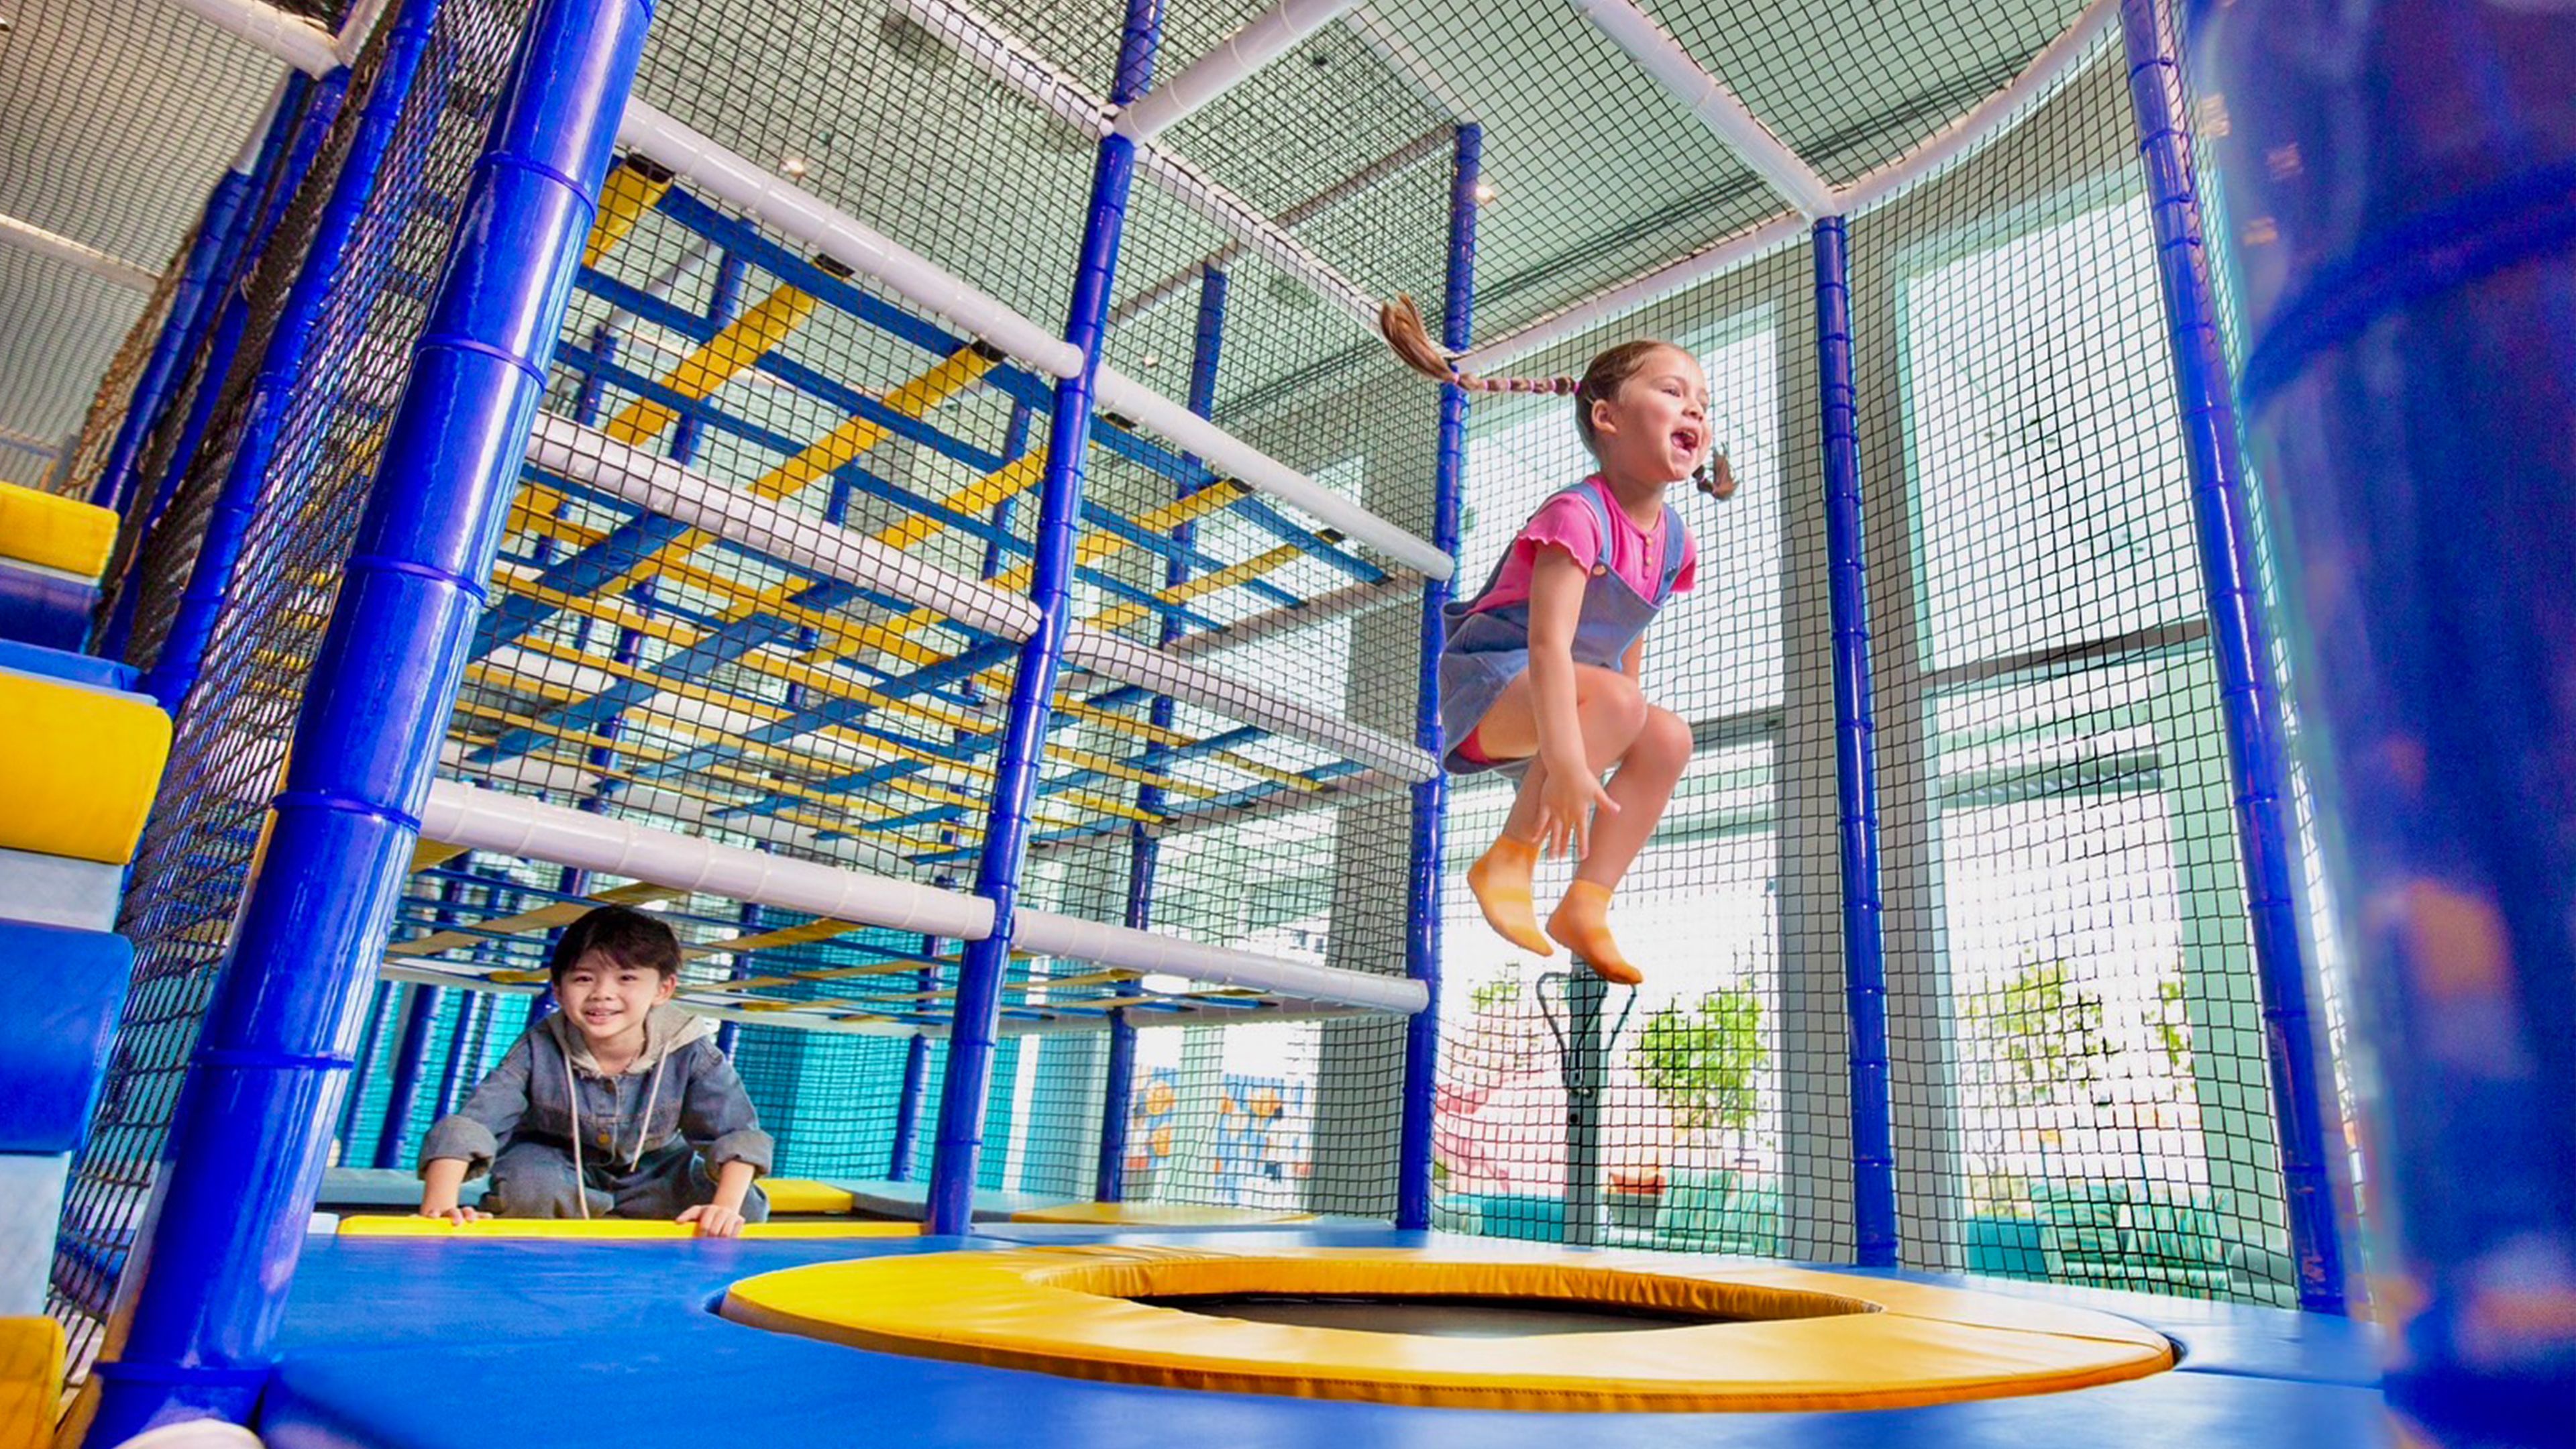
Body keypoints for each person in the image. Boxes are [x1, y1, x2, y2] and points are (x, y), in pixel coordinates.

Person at [1397, 324, 1722, 986]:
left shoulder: (1675, 541)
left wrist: (1617, 728)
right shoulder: (1577, 513)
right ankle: (1508, 858)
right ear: (1607, 418)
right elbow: (1546, 645)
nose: (1693, 408)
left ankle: (1587, 903)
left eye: (1703, 402)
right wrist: (1571, 762)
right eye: (1672, 392)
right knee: (1620, 701)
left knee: (1668, 737)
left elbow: (1628, 633)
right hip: (1491, 689)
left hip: (1571, 701)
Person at [415, 904, 771, 1234]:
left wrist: (723, 1209)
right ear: (558, 990)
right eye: (583, 979)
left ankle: (621, 1209)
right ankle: (575, 1208)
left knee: (744, 1206)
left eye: (626, 978)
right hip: (556, 1164)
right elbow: (476, 1123)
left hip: (653, 1169)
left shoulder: (688, 1049)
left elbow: (735, 1133)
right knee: (531, 1188)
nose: (602, 993)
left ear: (663, 989)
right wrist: (440, 1206)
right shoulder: (538, 1047)